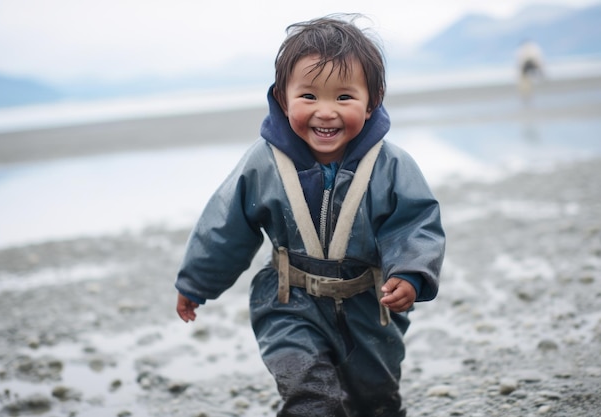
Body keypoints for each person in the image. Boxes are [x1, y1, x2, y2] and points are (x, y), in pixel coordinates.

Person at [175, 14, 445, 417]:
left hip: (368, 305)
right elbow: (227, 226)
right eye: (308, 97)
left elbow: (414, 223)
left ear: (373, 100)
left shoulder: (390, 165)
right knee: (310, 397)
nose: (326, 112)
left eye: (343, 97)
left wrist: (409, 274)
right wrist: (197, 282)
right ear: (283, 99)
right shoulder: (263, 164)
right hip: (287, 300)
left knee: (376, 402)